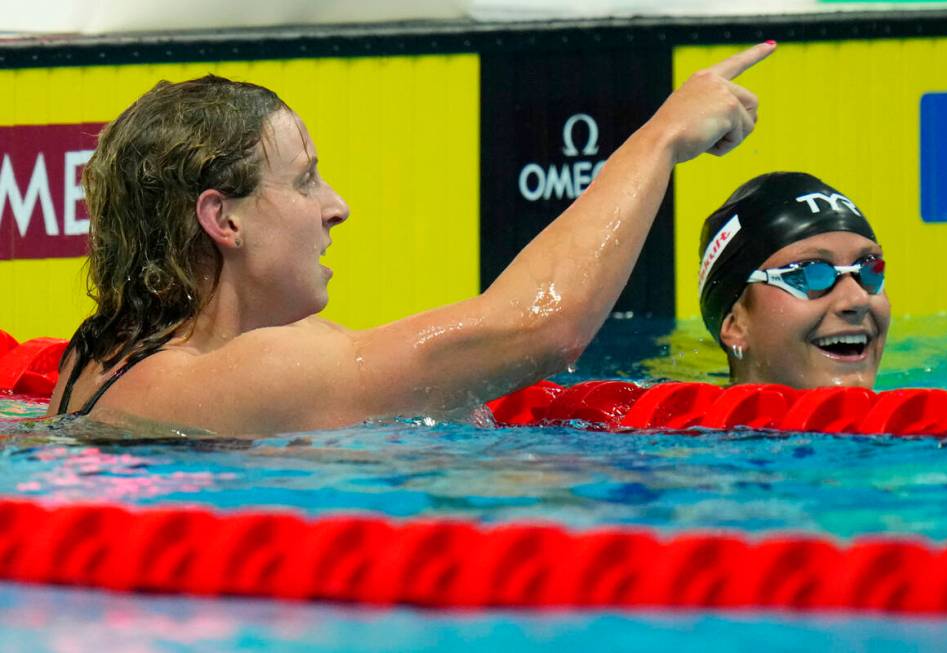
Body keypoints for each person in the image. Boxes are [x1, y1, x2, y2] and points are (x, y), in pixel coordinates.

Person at [48, 42, 776, 434]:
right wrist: (661, 137)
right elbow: (543, 325)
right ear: (223, 219)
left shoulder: (97, 354)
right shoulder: (258, 371)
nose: (338, 207)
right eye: (305, 180)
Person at [697, 171, 890, 389]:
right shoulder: (674, 421)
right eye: (811, 273)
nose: (858, 299)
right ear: (736, 326)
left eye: (869, 270)